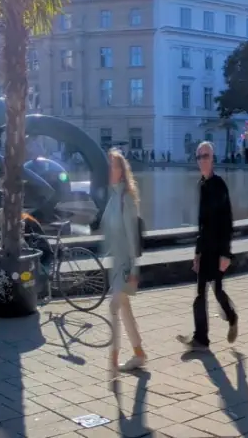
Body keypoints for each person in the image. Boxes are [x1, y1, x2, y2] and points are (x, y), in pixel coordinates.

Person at [179, 141, 237, 350]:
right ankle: (201, 338)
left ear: (212, 159)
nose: (202, 160)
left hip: (218, 249)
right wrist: (197, 252)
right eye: (199, 157)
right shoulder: (201, 185)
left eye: (206, 156)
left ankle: (232, 317)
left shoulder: (219, 185)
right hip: (205, 248)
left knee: (218, 292)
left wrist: (226, 254)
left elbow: (227, 221)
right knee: (199, 294)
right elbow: (202, 224)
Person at [103, 149, 147, 377]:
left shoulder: (125, 198)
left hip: (125, 267)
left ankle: (113, 359)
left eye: (114, 165)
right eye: (108, 165)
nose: (110, 169)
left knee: (114, 308)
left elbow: (132, 236)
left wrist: (134, 269)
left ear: (122, 171)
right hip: (116, 264)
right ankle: (139, 353)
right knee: (124, 309)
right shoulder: (112, 197)